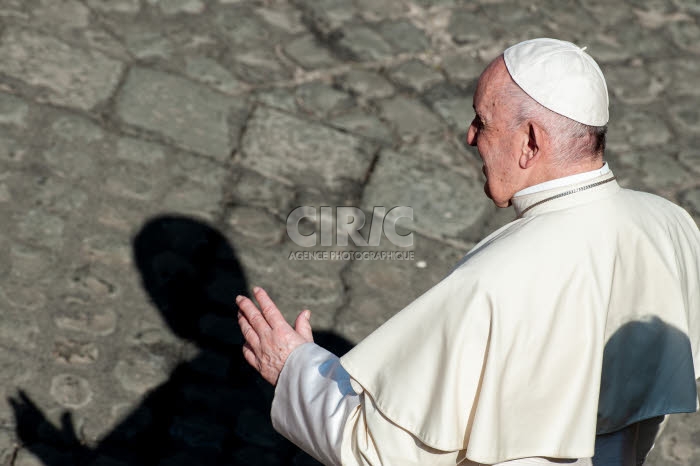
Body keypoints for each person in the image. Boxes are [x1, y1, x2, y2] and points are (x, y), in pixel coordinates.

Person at [236, 38, 700, 466]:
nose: (470, 136)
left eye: (483, 121)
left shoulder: (497, 279)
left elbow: (376, 450)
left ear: (531, 142)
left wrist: (295, 367)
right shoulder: (673, 226)